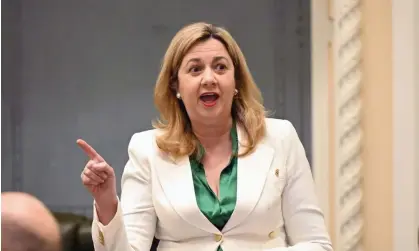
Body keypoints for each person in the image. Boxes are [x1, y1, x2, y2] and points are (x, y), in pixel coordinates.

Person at [78, 22, 333, 251]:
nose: (209, 78)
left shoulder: (280, 138)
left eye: (220, 67)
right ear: (176, 85)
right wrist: (106, 203)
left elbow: (317, 244)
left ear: (235, 83)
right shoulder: (147, 149)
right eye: (195, 69)